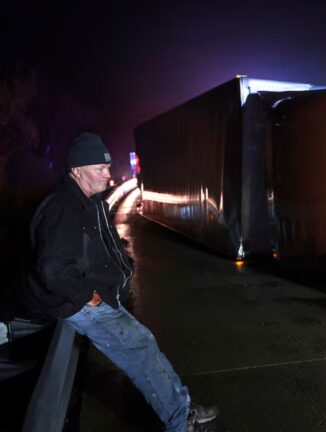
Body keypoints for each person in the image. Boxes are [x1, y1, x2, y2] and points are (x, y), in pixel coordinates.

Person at [24, 132, 218, 432]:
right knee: (140, 350)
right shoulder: (62, 207)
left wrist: (123, 267)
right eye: (99, 168)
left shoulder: (90, 198)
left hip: (99, 294)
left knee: (144, 345)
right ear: (77, 170)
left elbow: (106, 240)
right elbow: (52, 269)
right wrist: (88, 295)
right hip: (81, 302)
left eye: (107, 167)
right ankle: (181, 421)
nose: (107, 173)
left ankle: (182, 408)